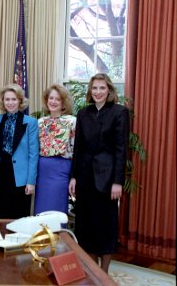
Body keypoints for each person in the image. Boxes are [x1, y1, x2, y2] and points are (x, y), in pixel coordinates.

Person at [69, 73, 129, 273]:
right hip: (85, 178)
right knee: (86, 226)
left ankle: (104, 273)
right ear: (90, 91)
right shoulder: (83, 114)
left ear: (109, 90)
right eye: (94, 88)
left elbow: (121, 149)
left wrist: (118, 181)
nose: (98, 92)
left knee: (106, 227)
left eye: (102, 88)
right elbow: (78, 148)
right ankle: (92, 270)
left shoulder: (119, 112)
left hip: (107, 179)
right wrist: (74, 177)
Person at [0, 84, 39, 219]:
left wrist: (31, 181)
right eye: (7, 99)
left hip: (20, 177)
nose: (10, 103)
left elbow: (33, 155)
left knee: (18, 217)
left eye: (14, 99)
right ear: (3, 101)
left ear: (20, 101)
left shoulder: (31, 122)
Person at [34, 84, 76, 215]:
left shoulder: (72, 121)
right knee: (41, 208)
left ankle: (58, 236)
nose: (53, 101)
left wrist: (74, 176)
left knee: (56, 208)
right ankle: (41, 236)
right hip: (42, 170)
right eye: (51, 98)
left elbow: (75, 149)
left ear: (63, 102)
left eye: (57, 99)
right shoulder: (40, 122)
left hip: (61, 170)